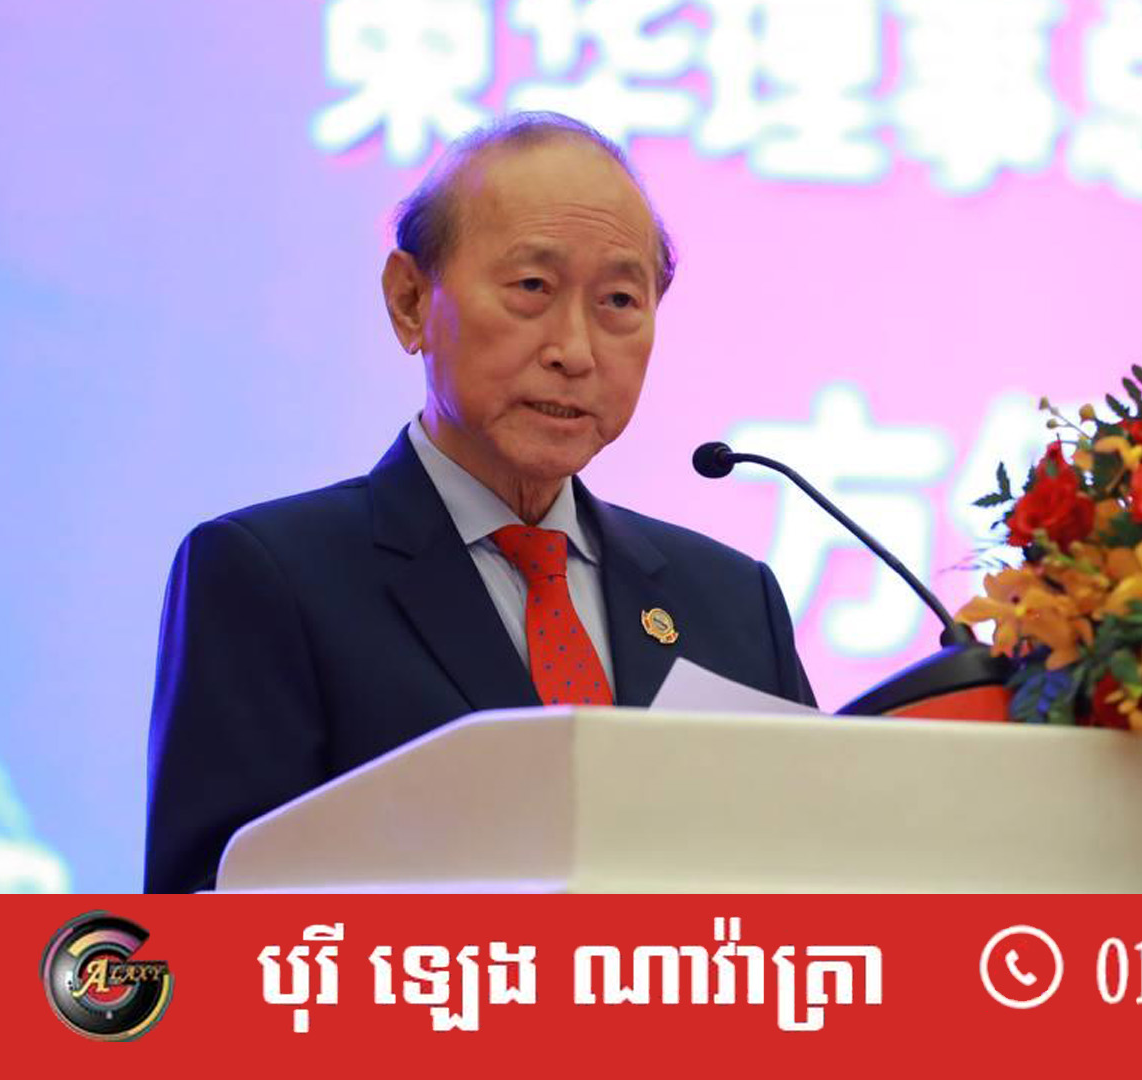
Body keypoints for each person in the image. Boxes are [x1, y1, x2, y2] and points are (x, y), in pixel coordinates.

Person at [144, 113, 814, 893]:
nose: (575, 351)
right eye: (532, 288)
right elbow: (204, 921)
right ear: (409, 301)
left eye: (619, 300)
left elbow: (815, 877)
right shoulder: (269, 577)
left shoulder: (733, 603)